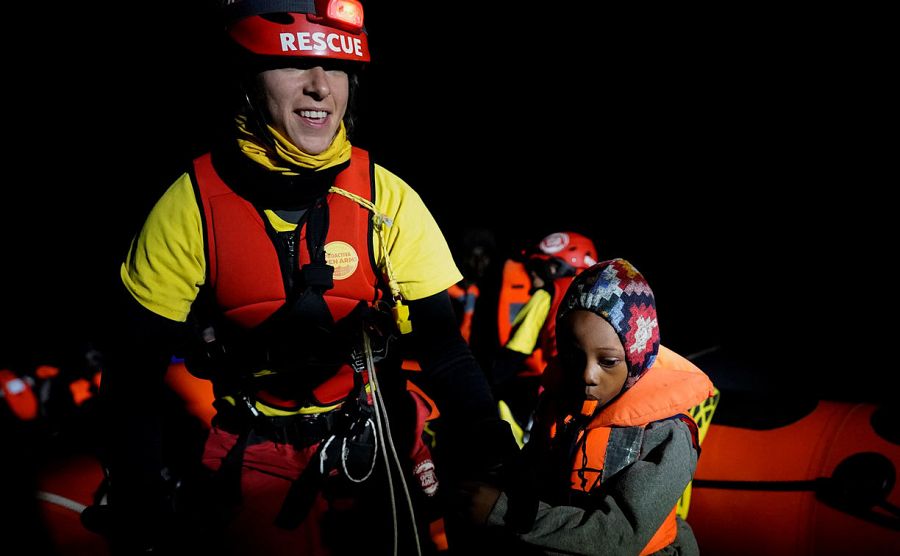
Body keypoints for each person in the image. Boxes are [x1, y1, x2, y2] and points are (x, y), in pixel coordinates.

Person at [92, 1, 514, 554]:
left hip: (375, 435)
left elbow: (445, 351)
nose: (320, 86)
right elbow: (134, 374)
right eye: (293, 64)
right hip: (257, 448)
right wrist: (138, 493)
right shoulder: (191, 205)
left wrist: (497, 453)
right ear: (248, 82)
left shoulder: (386, 198)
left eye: (336, 68)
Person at [466, 259, 714, 555]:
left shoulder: (667, 434)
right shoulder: (560, 404)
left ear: (637, 357)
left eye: (608, 361)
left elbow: (618, 536)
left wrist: (506, 512)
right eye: (573, 356)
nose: (587, 375)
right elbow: (534, 477)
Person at [492, 231, 597, 437]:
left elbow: (514, 354)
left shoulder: (547, 294)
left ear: (555, 267)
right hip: (591, 394)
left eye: (538, 266)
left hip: (548, 394)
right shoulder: (600, 297)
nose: (531, 273)